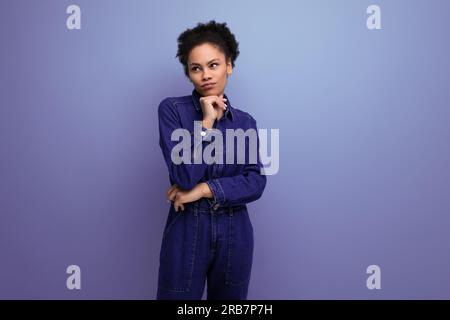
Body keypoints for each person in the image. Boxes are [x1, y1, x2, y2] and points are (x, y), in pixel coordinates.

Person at [156, 20, 267, 300]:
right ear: (190, 74)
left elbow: (254, 182)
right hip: (187, 230)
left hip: (235, 232)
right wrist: (206, 123)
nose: (205, 75)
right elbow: (183, 176)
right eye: (196, 68)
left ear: (229, 65)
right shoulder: (173, 111)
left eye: (214, 65)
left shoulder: (245, 122)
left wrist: (202, 191)